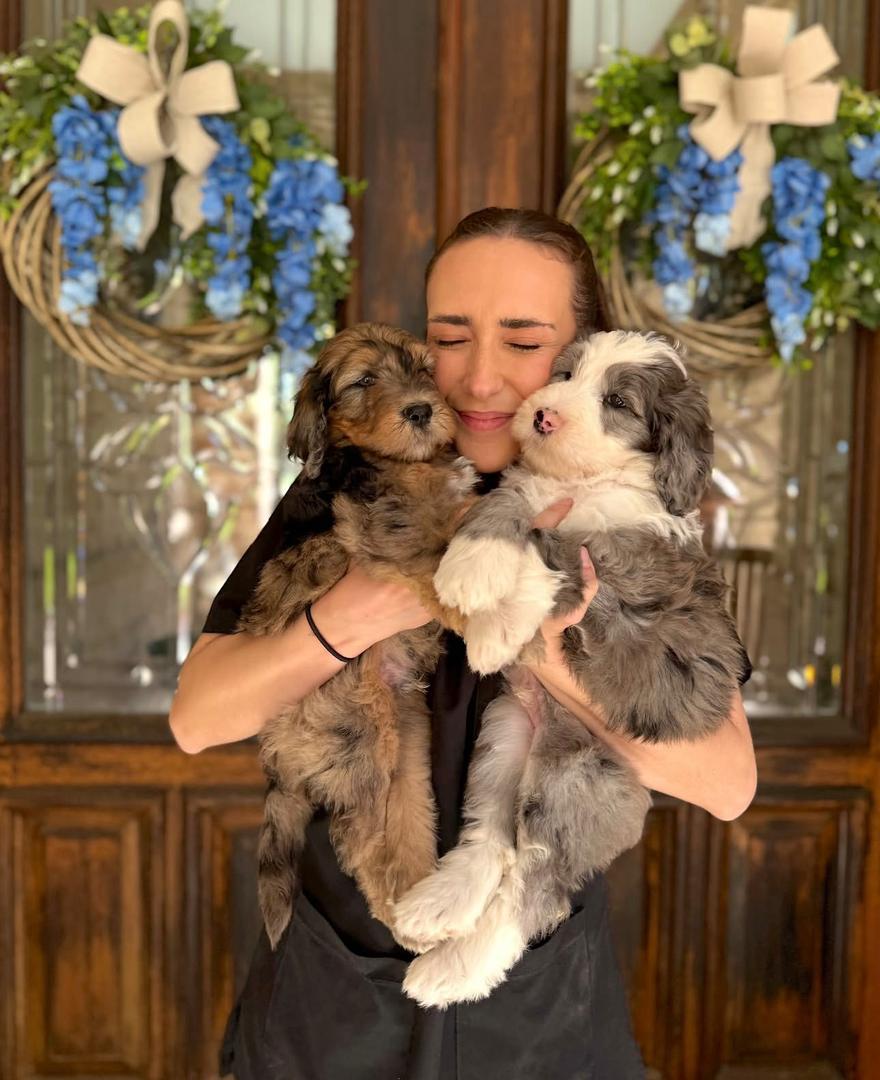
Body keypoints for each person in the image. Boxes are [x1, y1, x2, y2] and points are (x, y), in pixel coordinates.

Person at [169, 207, 757, 1080]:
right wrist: (353, 616)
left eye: (524, 344)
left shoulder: (624, 521)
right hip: (337, 987)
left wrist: (550, 661)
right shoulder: (342, 488)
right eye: (450, 337)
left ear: (576, 360)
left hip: (534, 991)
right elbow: (196, 717)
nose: (480, 378)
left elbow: (726, 780)